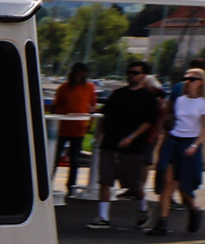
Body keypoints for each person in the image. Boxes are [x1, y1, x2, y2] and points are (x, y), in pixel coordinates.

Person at [86, 62, 164, 232]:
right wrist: (99, 133)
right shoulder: (117, 94)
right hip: (110, 143)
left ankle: (144, 207)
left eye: (136, 73)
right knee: (105, 180)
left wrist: (131, 137)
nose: (132, 75)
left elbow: (147, 122)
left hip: (133, 147)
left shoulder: (147, 98)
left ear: (143, 76)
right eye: (129, 72)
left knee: (133, 183)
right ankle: (103, 217)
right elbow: (105, 114)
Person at [148, 67, 205, 236]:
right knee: (167, 181)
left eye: (192, 79)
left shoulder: (204, 104)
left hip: (190, 142)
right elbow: (173, 119)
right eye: (186, 78)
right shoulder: (180, 100)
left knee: (184, 184)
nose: (188, 82)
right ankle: (161, 222)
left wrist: (195, 145)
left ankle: (194, 208)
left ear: (201, 83)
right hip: (174, 140)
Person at [50, 63, 96, 198]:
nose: (78, 75)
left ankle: (71, 186)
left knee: (75, 160)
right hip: (62, 128)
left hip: (79, 128)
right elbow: (55, 106)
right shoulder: (64, 87)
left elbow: (92, 106)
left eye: (81, 72)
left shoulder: (89, 88)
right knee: (54, 157)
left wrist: (90, 125)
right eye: (76, 72)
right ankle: (48, 182)